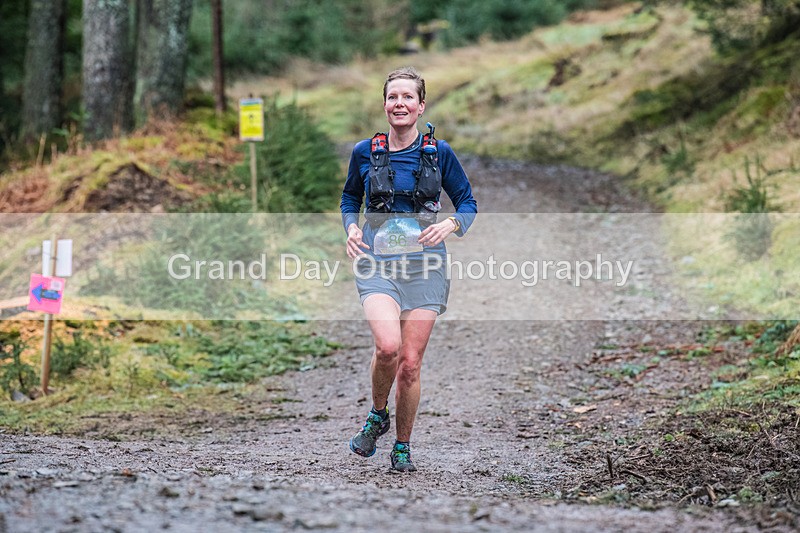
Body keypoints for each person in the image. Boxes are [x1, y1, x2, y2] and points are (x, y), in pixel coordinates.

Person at [340, 66, 477, 472]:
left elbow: (467, 202)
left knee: (411, 363)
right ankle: (377, 413)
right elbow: (349, 198)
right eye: (392, 97)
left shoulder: (440, 153)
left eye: (407, 97)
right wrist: (351, 228)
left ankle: (402, 445)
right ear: (385, 105)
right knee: (388, 347)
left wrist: (451, 225)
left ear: (420, 106)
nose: (399, 103)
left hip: (425, 267)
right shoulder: (364, 152)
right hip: (377, 262)